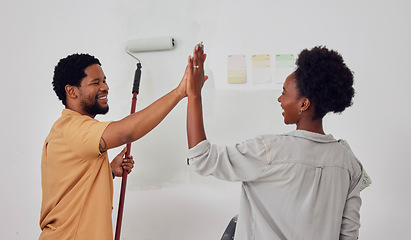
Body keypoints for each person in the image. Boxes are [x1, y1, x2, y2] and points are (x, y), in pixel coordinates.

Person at [186, 45, 369, 239]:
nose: (279, 99)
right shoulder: (350, 163)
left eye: (284, 92)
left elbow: (201, 158)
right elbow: (349, 235)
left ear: (303, 104)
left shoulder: (268, 151)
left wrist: (194, 95)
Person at [40, 53, 191, 239]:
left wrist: (108, 171)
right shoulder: (73, 129)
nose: (105, 87)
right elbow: (125, 132)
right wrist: (180, 92)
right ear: (72, 91)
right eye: (96, 83)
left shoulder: (68, 130)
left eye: (104, 80)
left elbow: (73, 188)